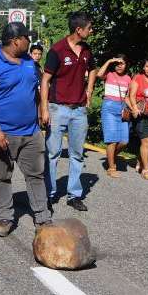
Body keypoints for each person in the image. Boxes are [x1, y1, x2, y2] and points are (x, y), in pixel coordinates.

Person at [0, 22, 53, 237]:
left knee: (36, 175)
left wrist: (40, 112)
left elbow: (34, 90)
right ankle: (6, 217)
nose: (30, 42)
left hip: (31, 132)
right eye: (27, 38)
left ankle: (43, 217)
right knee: (2, 176)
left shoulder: (29, 62)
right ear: (16, 41)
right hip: (3, 134)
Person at [40, 12, 97, 211]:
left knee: (77, 154)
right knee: (52, 154)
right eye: (89, 27)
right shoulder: (57, 50)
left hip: (79, 110)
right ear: (78, 29)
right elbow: (45, 80)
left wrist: (89, 89)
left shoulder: (87, 50)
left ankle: (74, 194)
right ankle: (48, 194)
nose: (92, 30)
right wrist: (44, 108)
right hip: (58, 109)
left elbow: (94, 70)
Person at [97, 54, 132, 178]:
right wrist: (109, 60)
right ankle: (112, 167)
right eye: (117, 63)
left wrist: (133, 108)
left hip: (122, 109)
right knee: (112, 140)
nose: (119, 66)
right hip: (109, 108)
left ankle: (110, 156)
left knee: (124, 141)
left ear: (126, 64)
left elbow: (126, 97)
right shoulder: (109, 75)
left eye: (122, 63)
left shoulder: (128, 78)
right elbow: (99, 74)